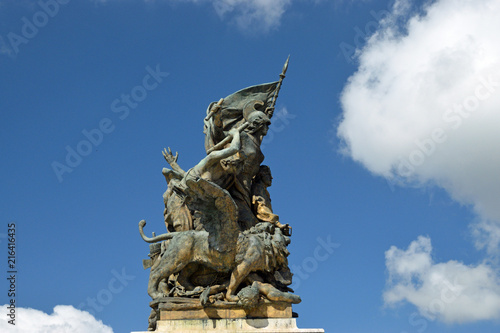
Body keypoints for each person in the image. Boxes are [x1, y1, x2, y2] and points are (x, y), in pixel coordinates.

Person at [251, 165, 291, 236]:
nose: (271, 177)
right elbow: (261, 209)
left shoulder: (264, 191)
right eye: (268, 174)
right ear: (261, 175)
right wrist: (277, 223)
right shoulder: (258, 188)